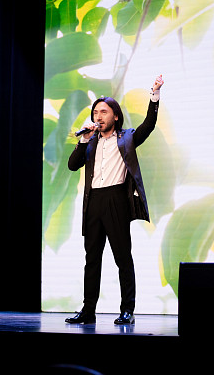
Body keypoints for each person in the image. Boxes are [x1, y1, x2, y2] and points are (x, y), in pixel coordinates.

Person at [65, 75, 164, 325]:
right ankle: (88, 310)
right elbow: (72, 165)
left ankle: (127, 309)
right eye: (95, 112)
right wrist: (83, 140)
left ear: (115, 116)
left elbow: (148, 125)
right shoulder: (90, 142)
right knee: (92, 259)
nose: (98, 116)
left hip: (116, 200)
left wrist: (154, 95)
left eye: (104, 112)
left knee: (122, 258)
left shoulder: (127, 138)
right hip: (93, 201)